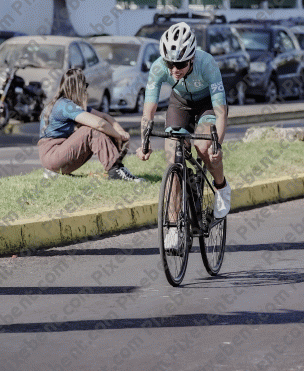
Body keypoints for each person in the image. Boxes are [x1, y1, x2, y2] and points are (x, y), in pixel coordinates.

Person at [136, 22, 231, 248]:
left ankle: (222, 187)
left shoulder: (207, 64)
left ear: (192, 59)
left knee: (203, 146)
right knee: (172, 156)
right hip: (180, 103)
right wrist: (144, 142)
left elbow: (220, 112)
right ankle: (172, 228)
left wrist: (218, 146)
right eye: (170, 63)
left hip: (207, 104)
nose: (174, 70)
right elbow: (148, 111)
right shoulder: (159, 67)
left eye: (180, 64)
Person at [38, 68, 141, 181]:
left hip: (56, 156)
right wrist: (119, 136)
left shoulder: (67, 104)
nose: (85, 90)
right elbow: (100, 124)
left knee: (102, 129)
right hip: (52, 155)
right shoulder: (65, 105)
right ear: (79, 87)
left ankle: (118, 168)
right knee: (91, 130)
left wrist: (120, 131)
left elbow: (105, 117)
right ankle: (116, 171)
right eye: (85, 85)